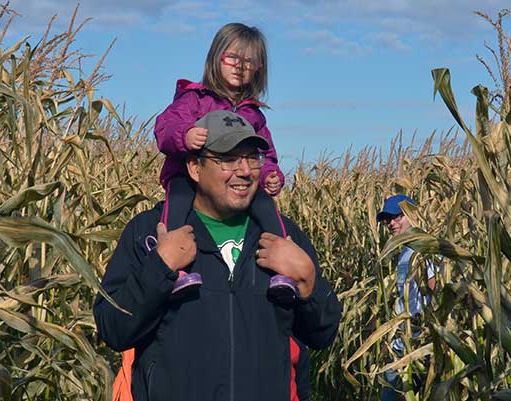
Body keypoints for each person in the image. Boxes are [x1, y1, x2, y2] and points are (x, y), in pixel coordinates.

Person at [95, 110, 342, 401]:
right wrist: (159, 268)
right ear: (194, 168)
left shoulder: (284, 235)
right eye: (228, 159)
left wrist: (309, 282)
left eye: (252, 157)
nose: (245, 170)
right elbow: (113, 329)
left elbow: (322, 334)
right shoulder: (151, 232)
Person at [153, 22, 297, 301]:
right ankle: (175, 271)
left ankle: (284, 269)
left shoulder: (254, 115)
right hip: (186, 174)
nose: (240, 65)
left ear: (259, 69)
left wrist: (270, 174)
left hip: (233, 184)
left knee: (267, 207)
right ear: (216, 57)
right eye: (232, 57)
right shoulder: (194, 98)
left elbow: (265, 153)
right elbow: (164, 129)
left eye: (249, 61)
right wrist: (186, 135)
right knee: (178, 203)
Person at [376, 194, 436, 401]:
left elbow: (434, 289)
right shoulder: (406, 249)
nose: (391, 223)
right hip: (402, 341)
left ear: (413, 214)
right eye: (387, 219)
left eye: (397, 217)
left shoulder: (424, 246)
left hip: (418, 342)